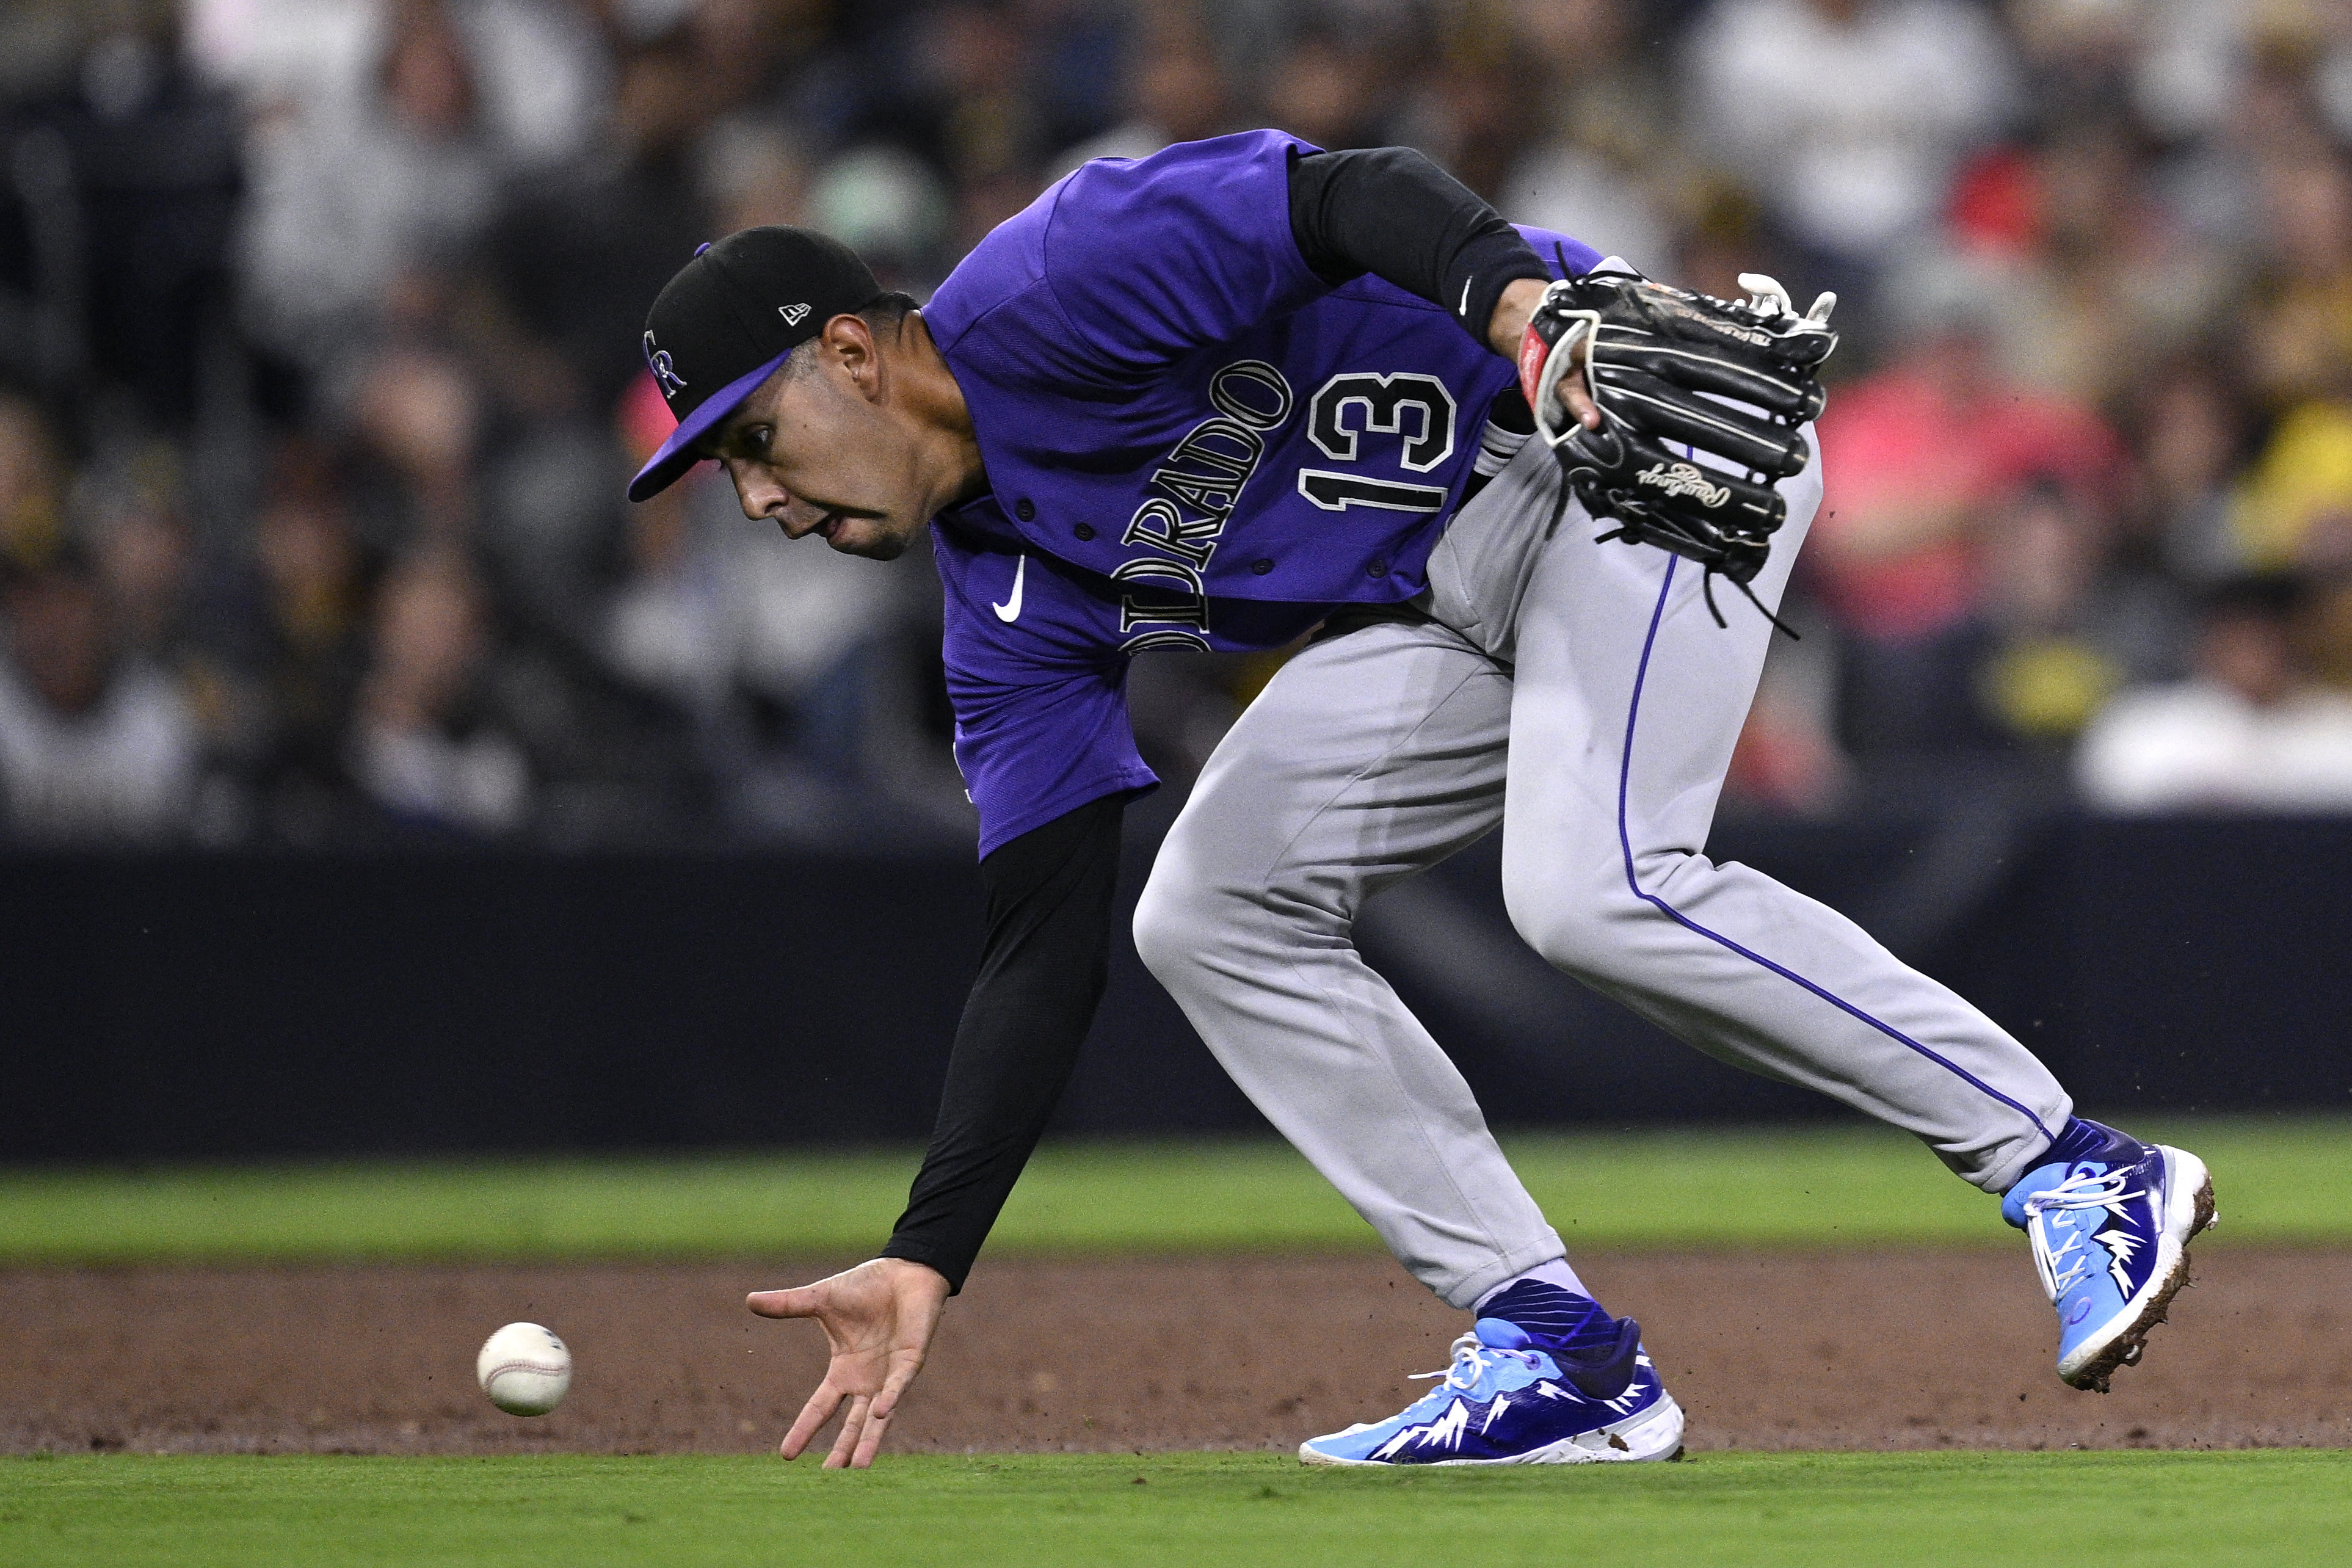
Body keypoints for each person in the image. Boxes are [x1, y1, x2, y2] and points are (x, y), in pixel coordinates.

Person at [622, 132, 2215, 1468]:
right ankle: (1553, 1348)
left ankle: (2070, 1166)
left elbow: (1340, 193)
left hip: (1614, 446)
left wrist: (1520, 306)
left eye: (752, 438)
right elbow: (1038, 940)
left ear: (847, 351)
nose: (757, 494)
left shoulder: (1054, 279)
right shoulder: (1005, 609)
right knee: (1204, 905)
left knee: (1593, 886)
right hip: (1459, 594)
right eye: (723, 471)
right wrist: (929, 1248)